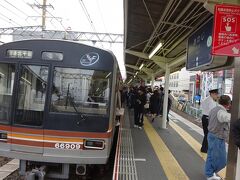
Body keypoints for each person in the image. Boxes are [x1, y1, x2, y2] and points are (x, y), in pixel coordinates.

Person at [205, 95, 231, 180]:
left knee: (211, 156)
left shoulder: (214, 110)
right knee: (222, 161)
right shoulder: (221, 112)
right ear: (227, 104)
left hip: (211, 135)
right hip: (217, 137)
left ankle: (209, 174)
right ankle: (211, 173)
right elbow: (228, 118)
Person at [200, 88, 219, 153]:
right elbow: (212, 112)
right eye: (216, 94)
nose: (217, 96)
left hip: (205, 117)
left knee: (206, 134)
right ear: (212, 94)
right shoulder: (210, 101)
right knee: (208, 134)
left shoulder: (207, 99)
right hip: (208, 118)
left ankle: (204, 148)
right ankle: (204, 149)